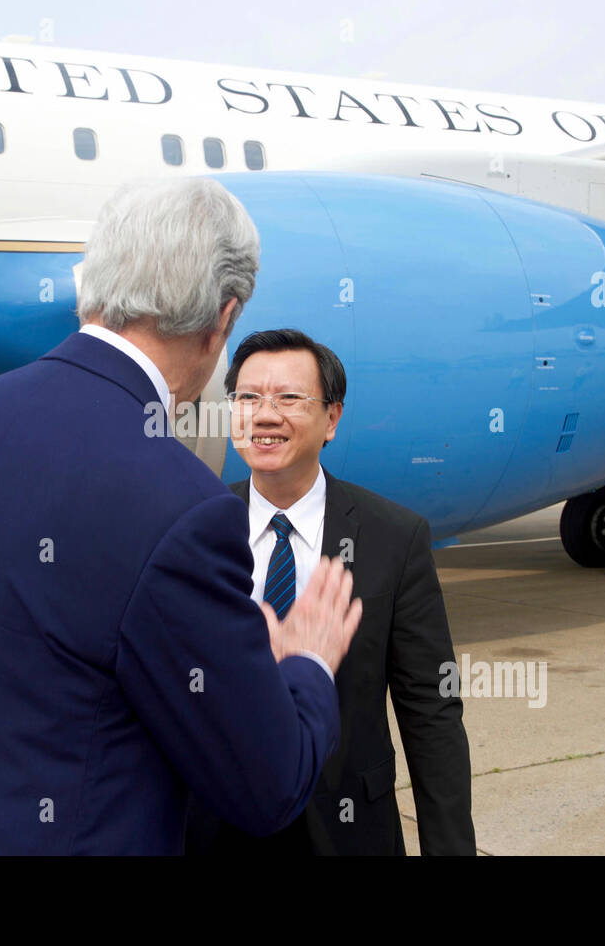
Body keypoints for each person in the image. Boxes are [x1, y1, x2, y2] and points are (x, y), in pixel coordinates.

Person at [0, 179, 362, 855]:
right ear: (224, 316)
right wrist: (306, 661)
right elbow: (266, 783)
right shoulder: (185, 506)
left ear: (92, 287)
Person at [187, 329, 475, 855]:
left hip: (347, 831)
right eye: (248, 398)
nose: (265, 415)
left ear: (332, 419)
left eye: (289, 399)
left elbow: (431, 713)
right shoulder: (193, 531)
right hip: (213, 827)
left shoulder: (394, 537)